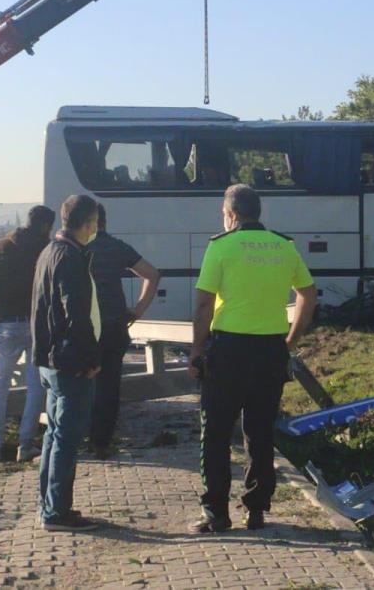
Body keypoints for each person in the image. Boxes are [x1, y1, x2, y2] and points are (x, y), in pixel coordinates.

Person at [189, 184, 317, 533]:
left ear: (231, 215)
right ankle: (256, 510)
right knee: (259, 433)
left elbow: (203, 304)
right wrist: (291, 339)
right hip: (270, 352)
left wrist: (197, 349)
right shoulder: (283, 245)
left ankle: (216, 512)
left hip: (228, 352)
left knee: (215, 433)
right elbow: (308, 293)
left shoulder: (221, 247)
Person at [32, 195, 102, 532]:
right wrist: (90, 359)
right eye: (95, 223)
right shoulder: (71, 258)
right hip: (69, 362)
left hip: (49, 360)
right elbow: (77, 315)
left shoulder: (48, 252)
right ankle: (56, 512)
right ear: (89, 223)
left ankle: (48, 504)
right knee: (66, 439)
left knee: (53, 435)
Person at [0, 206, 56, 462]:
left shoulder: (2, 246)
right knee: (36, 386)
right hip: (38, 324)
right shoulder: (48, 249)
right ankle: (25, 444)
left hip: (7, 324)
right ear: (45, 226)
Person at [87, 204, 161, 459]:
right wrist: (138, 310)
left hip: (82, 328)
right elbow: (152, 275)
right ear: (104, 221)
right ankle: (102, 443)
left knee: (79, 384)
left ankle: (78, 437)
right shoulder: (117, 247)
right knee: (109, 386)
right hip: (114, 327)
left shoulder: (75, 249)